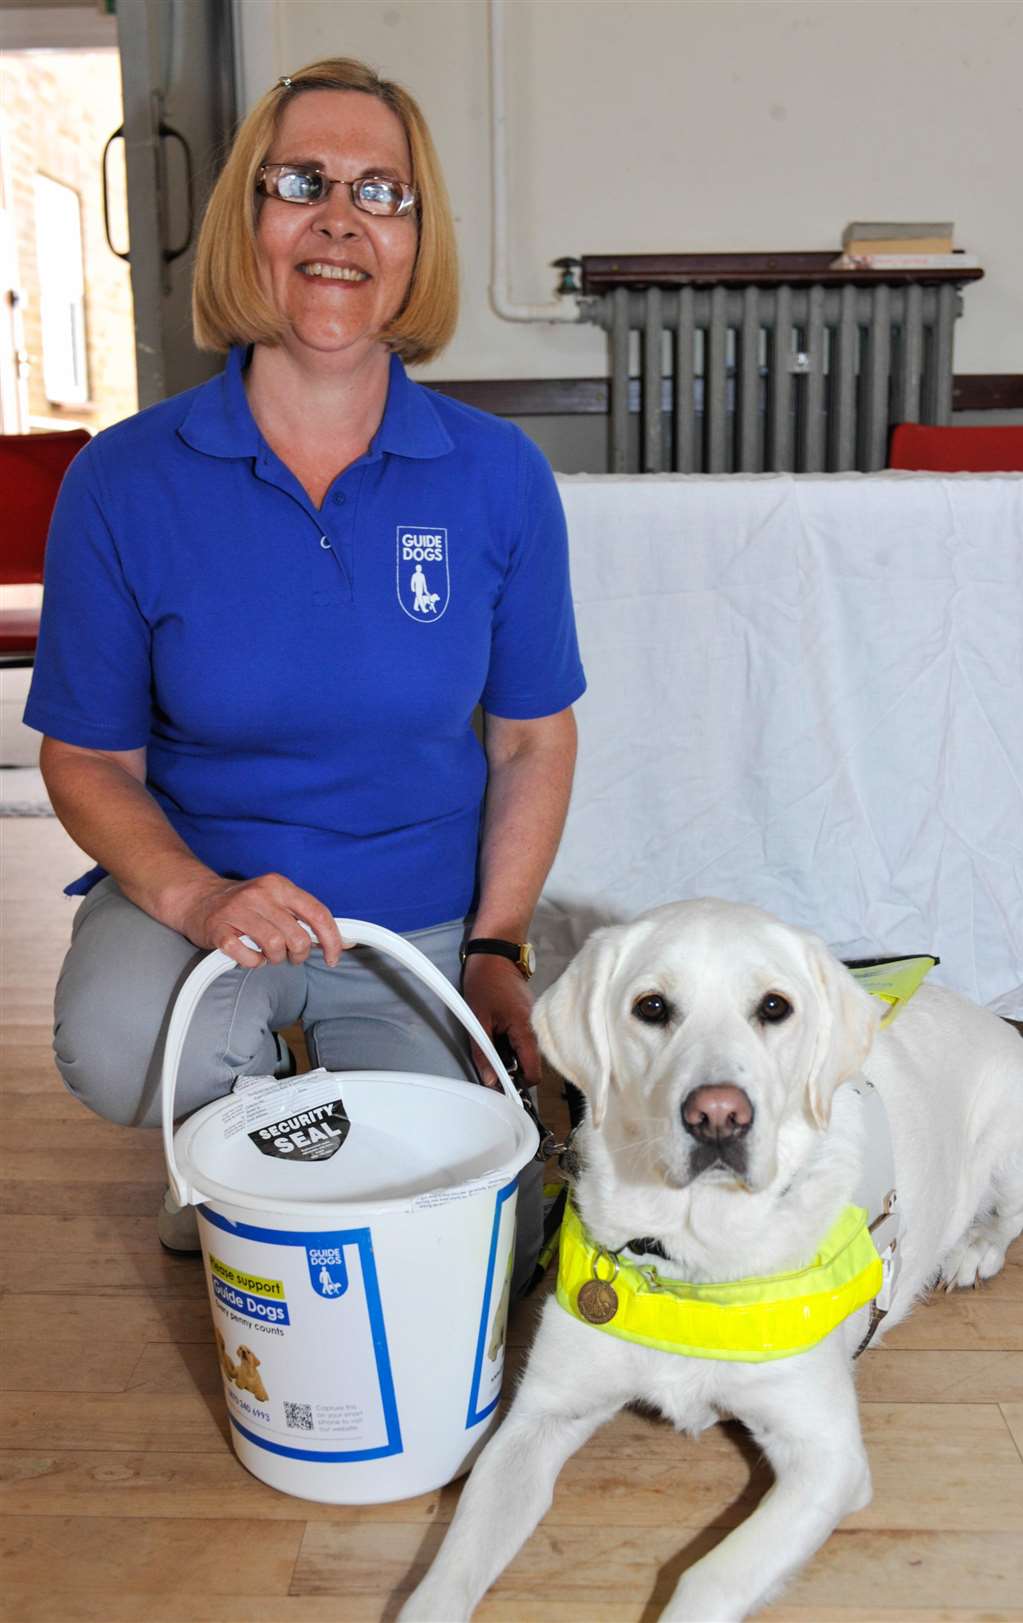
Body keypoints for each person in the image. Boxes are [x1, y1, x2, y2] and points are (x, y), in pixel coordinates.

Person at [24, 57, 585, 1297]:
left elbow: (534, 740)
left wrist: (497, 945)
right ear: (249, 220)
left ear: (416, 241)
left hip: (414, 913)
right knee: (120, 1045)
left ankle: (269, 1161)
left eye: (382, 193)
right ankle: (236, 1152)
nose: (340, 219)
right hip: (204, 890)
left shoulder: (498, 478)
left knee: (460, 1198)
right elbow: (88, 759)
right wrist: (191, 897)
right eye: (301, 183)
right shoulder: (124, 482)